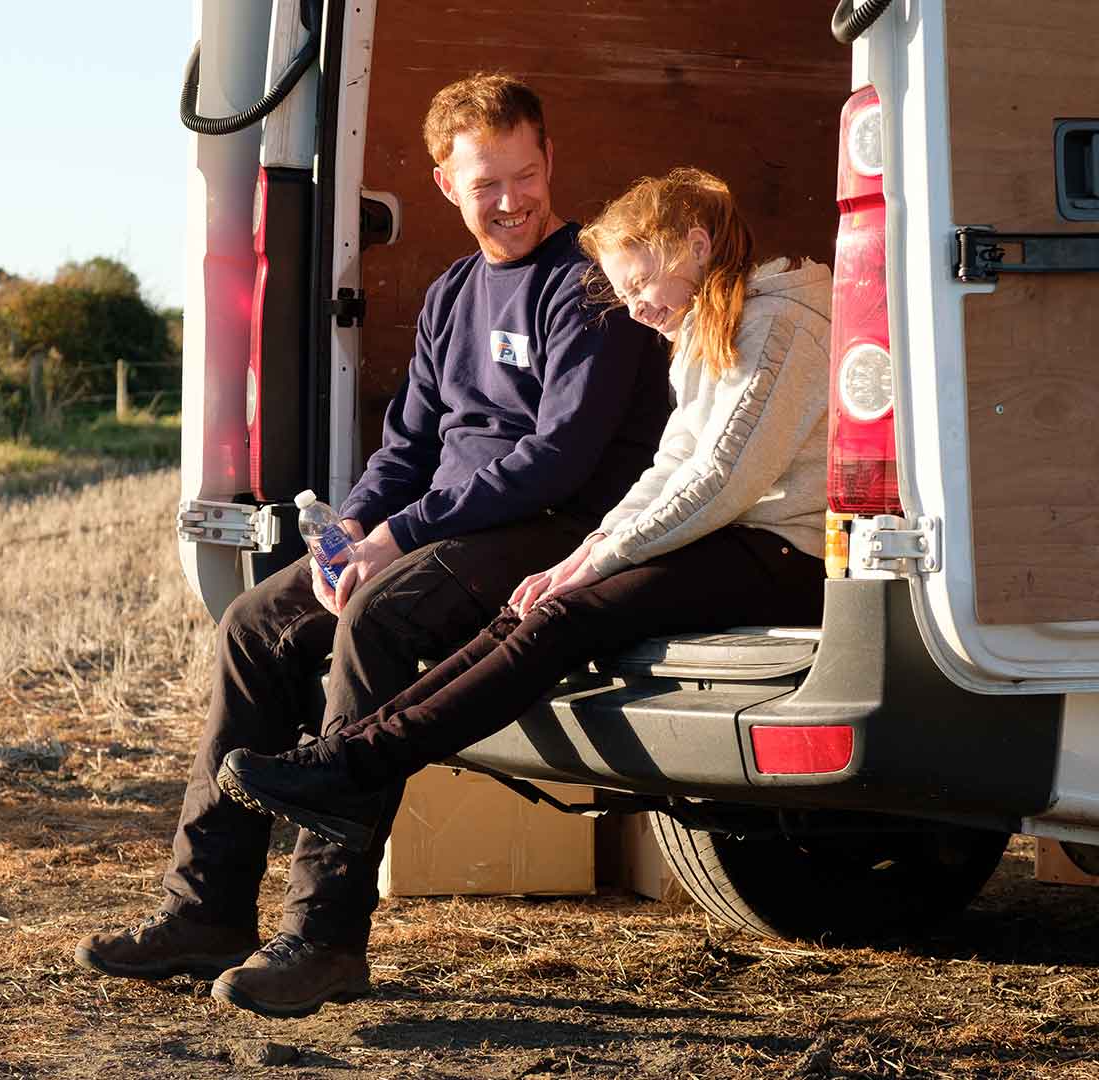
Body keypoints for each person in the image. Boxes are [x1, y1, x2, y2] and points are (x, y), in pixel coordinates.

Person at [73, 74, 670, 1019]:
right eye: (487, 186)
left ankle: (323, 935)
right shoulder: (452, 295)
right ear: (445, 184)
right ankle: (207, 910)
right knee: (253, 624)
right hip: (448, 525)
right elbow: (409, 445)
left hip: (557, 529)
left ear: (550, 159)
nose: (511, 201)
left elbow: (558, 459)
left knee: (381, 621)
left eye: (525, 175)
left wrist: (400, 536)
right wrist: (350, 528)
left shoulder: (589, 285)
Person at [215, 166, 833, 860]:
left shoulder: (781, 326)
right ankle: (347, 760)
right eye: (623, 293)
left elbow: (718, 482)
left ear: (693, 245)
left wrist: (595, 560)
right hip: (733, 537)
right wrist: (583, 555)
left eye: (638, 286)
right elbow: (671, 465)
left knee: (567, 615)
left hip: (787, 550)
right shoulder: (709, 327)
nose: (634, 310)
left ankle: (351, 766)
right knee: (532, 605)